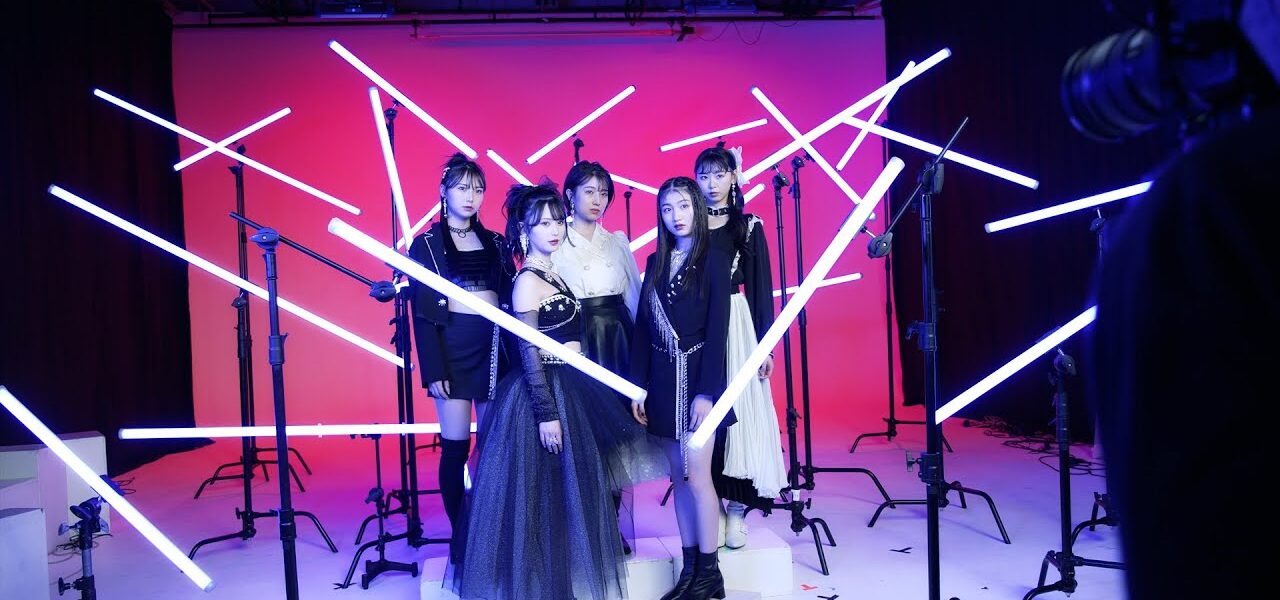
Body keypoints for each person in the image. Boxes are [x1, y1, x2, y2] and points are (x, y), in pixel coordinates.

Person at [452, 183, 661, 600]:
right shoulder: (527, 281)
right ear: (524, 231)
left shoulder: (552, 272)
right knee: (544, 501)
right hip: (545, 395)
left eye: (556, 222)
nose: (553, 230)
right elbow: (527, 351)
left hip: (572, 386)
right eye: (542, 224)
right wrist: (547, 412)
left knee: (570, 496)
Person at [632, 176, 733, 600]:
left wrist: (707, 394)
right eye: (667, 208)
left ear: (697, 208)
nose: (676, 216)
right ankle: (690, 571)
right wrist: (637, 387)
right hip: (661, 382)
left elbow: (718, 332)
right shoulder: (656, 260)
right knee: (679, 477)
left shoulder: (715, 259)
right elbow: (643, 329)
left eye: (684, 206)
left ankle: (710, 575)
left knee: (699, 477)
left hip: (697, 383)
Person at [407, 153, 513, 542]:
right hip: (451, 350)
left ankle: (491, 531)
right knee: (455, 449)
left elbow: (512, 296)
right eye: (462, 188)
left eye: (478, 189)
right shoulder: (425, 245)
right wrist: (433, 370)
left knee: (492, 448)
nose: (471, 196)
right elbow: (421, 313)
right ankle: (462, 535)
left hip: (493, 348)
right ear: (444, 191)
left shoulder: (497, 242)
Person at [695, 146, 788, 548]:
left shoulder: (748, 226)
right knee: (704, 414)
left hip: (736, 324)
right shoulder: (687, 221)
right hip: (697, 326)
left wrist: (766, 348)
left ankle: (736, 508)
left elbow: (761, 291)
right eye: (704, 176)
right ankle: (711, 504)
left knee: (741, 414)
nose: (711, 184)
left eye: (719, 174)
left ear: (734, 177)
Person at [552, 160, 642, 387]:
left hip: (618, 332)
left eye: (603, 194)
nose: (597, 201)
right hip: (578, 333)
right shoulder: (556, 243)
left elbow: (633, 296)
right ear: (570, 195)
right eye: (589, 192)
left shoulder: (616, 242)